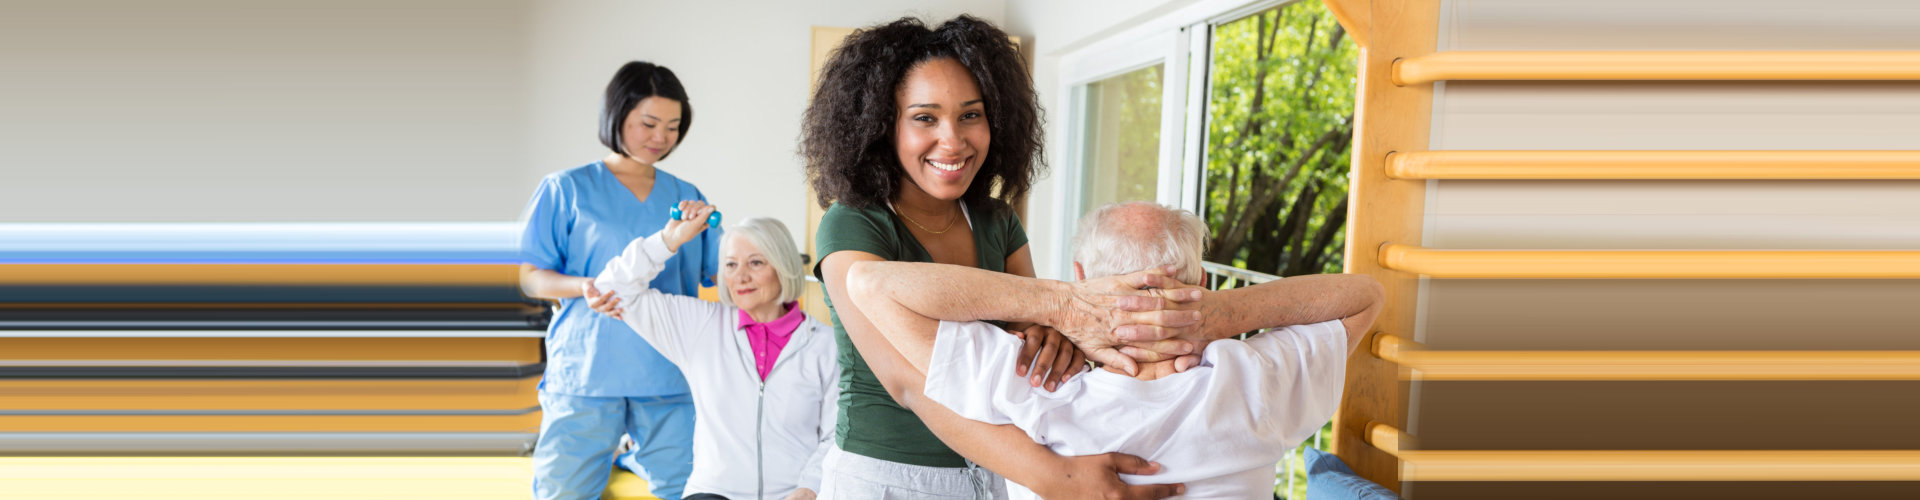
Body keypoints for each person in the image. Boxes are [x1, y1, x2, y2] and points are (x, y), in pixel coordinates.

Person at [802, 15, 1196, 499]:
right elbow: (907, 382)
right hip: (888, 478)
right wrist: (1055, 477)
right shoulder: (852, 224)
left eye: (971, 114)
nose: (953, 140)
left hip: (995, 477)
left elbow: (1030, 340)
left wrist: (1048, 339)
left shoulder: (996, 221)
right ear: (885, 127)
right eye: (925, 117)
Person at [845, 202, 1384, 499]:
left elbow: (871, 285)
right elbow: (1365, 295)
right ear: (1198, 278)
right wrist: (1223, 315)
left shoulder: (1036, 378)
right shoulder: (1254, 380)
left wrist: (1060, 304)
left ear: (1082, 276)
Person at [520, 61, 715, 500]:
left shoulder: (687, 198)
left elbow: (717, 273)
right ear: (617, 116)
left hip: (667, 368)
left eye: (672, 126)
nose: (661, 138)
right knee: (564, 491)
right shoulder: (565, 189)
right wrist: (584, 286)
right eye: (648, 123)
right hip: (589, 369)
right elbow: (531, 278)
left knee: (689, 488)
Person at [589, 203, 837, 500]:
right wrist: (670, 239)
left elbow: (837, 434)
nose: (740, 276)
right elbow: (610, 287)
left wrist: (810, 486)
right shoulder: (700, 326)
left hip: (795, 494)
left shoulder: (825, 344)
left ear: (783, 265)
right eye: (731, 265)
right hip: (713, 493)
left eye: (756, 263)